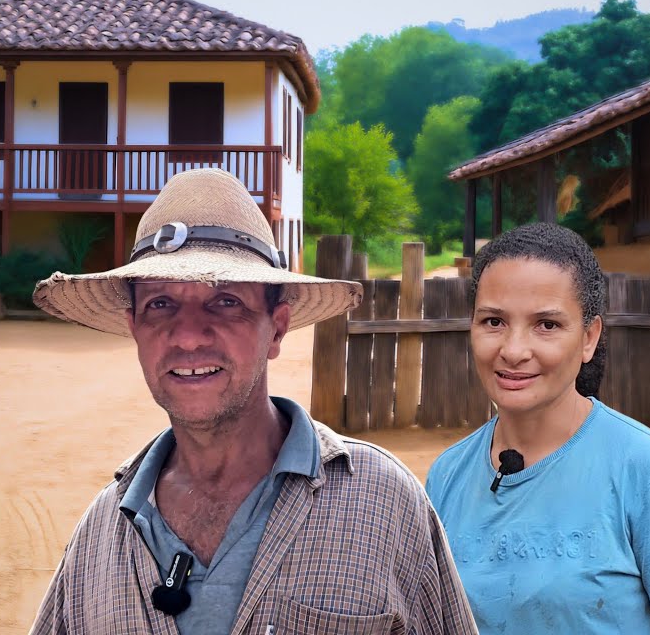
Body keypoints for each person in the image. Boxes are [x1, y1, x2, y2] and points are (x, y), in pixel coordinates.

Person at [28, 168, 476, 634]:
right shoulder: (101, 535)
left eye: (225, 302)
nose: (187, 335)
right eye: (161, 304)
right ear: (135, 328)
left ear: (276, 328)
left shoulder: (382, 503)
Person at [426, 223, 650, 634]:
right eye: (494, 321)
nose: (513, 351)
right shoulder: (447, 476)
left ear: (589, 338)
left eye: (547, 325)